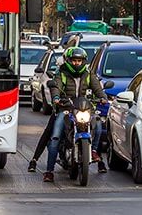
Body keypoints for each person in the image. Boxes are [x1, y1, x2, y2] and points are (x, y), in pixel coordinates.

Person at [43, 47, 108, 183]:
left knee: (98, 124)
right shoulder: (62, 73)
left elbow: (97, 88)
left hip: (84, 109)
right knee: (55, 137)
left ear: (83, 61)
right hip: (66, 109)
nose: (77, 63)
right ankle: (49, 171)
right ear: (68, 61)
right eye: (74, 60)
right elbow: (56, 86)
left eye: (79, 60)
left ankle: (94, 151)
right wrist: (56, 97)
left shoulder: (89, 74)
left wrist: (102, 97)